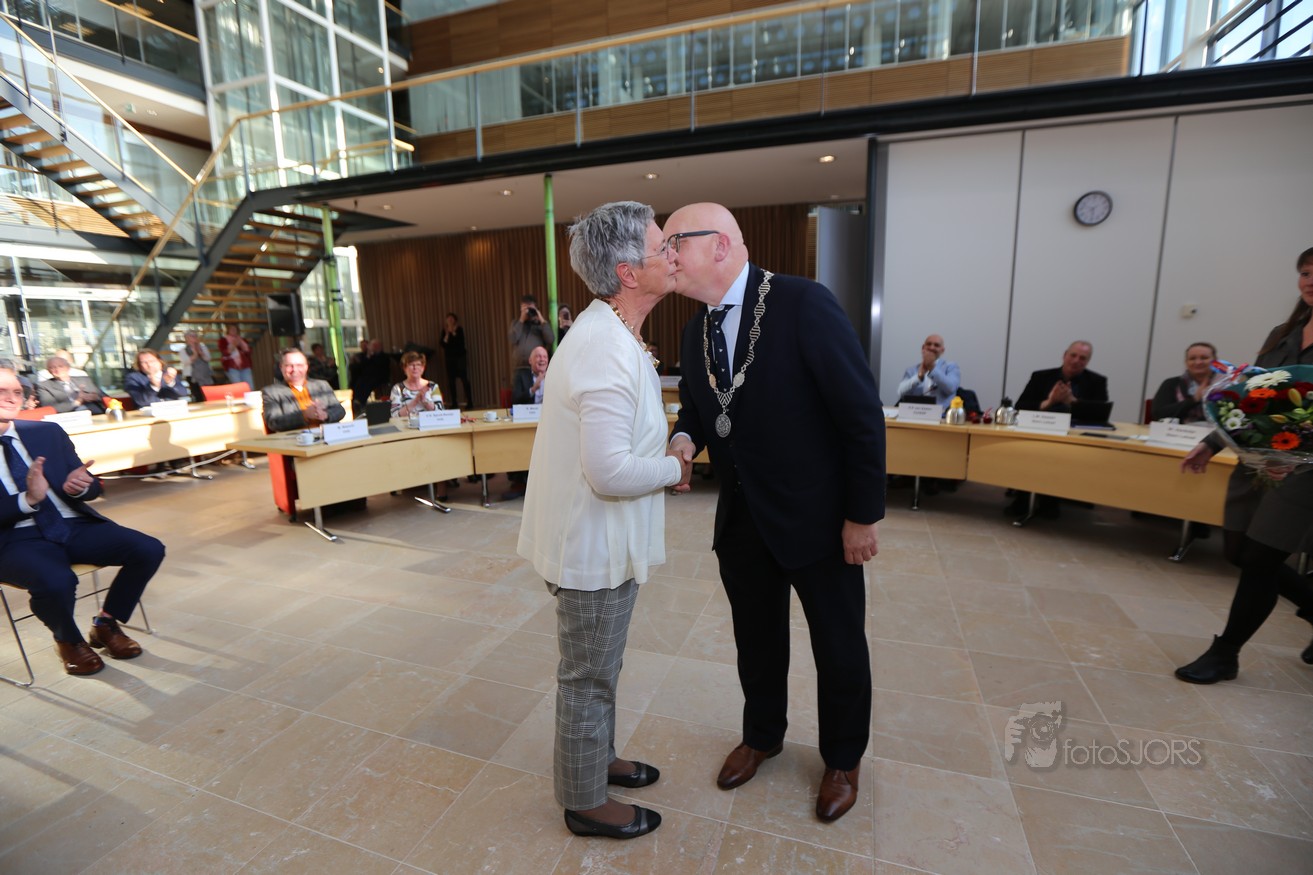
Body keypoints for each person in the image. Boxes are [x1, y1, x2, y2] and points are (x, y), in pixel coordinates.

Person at [665, 203, 885, 823]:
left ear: (720, 244)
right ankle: (762, 734)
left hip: (819, 521)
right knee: (756, 642)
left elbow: (860, 414)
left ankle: (843, 758)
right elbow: (698, 409)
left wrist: (862, 515)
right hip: (742, 521)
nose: (666, 256)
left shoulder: (803, 302)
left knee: (838, 646)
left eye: (675, 242)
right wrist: (683, 441)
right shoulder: (695, 329)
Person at [517, 200, 685, 841]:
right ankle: (585, 801)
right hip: (592, 548)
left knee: (601, 667)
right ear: (627, 272)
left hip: (604, 541)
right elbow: (609, 471)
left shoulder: (610, 333)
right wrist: (672, 466)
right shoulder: (603, 347)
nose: (673, 255)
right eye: (662, 247)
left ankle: (598, 758)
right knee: (587, 676)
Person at [1175, 248, 1313, 684]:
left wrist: (1296, 455)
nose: (1310, 280)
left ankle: (1225, 654)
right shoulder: (1283, 334)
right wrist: (1211, 443)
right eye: (1305, 272)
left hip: (1302, 471)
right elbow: (1252, 397)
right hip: (1255, 459)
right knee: (1237, 551)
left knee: (1259, 560)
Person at [0, 365, 164, 676]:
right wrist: (27, 500)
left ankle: (105, 624)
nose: (11, 398)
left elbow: (90, 485)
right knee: (57, 580)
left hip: (70, 524)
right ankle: (69, 641)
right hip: (12, 539)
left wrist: (81, 486)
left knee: (148, 548)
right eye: (1, 392)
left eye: (17, 392)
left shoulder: (46, 432)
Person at [262, 347, 346, 433]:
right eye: (289, 365)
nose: (294, 370)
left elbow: (340, 410)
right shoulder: (271, 392)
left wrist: (326, 415)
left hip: (327, 435)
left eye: (299, 365)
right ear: (281, 367)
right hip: (295, 438)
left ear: (306, 367)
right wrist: (304, 415)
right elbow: (273, 422)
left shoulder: (322, 385)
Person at [1015, 340, 1107, 413]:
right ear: (1064, 355)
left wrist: (1072, 402)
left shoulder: (1097, 382)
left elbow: (1101, 413)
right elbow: (1019, 407)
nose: (1076, 361)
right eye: (1073, 355)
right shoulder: (1040, 377)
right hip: (1044, 424)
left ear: (1087, 361)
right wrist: (1049, 402)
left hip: (1077, 428)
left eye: (1082, 358)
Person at [1152, 341, 1216, 423]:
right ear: (1186, 362)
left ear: (1215, 361)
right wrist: (1194, 399)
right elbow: (1159, 414)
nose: (1198, 362)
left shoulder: (1225, 385)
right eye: (1192, 358)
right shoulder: (1171, 384)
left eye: (1204, 358)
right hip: (1179, 430)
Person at [897, 334, 961, 406]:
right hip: (914, 410)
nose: (932, 347)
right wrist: (918, 377)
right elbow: (900, 393)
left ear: (942, 350)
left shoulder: (951, 367)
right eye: (929, 344)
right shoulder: (911, 370)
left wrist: (932, 369)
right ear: (923, 347)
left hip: (942, 411)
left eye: (936, 345)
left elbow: (951, 389)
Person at [509, 294, 555, 388]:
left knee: (537, 394)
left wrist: (540, 318)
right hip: (519, 368)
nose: (528, 312)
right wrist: (521, 320)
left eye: (531, 309)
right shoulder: (516, 324)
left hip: (537, 370)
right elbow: (512, 338)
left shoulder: (542, 325)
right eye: (525, 309)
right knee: (520, 395)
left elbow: (550, 339)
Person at [37, 356, 105, 414]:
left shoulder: (84, 380)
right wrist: (77, 402)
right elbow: (48, 407)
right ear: (48, 371)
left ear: (68, 367)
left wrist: (95, 397)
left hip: (94, 412)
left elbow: (104, 396)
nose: (57, 369)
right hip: (69, 416)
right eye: (52, 367)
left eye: (60, 366)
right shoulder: (44, 386)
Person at [390, 350, 444, 417]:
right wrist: (416, 400)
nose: (415, 367)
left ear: (423, 368)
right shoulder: (397, 388)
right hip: (406, 423)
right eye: (411, 364)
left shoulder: (433, 386)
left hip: (429, 423)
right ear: (404, 368)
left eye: (418, 364)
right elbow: (395, 415)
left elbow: (441, 412)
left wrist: (425, 401)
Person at [440, 313, 472, 407]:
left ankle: (470, 402)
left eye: (451, 318)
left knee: (464, 380)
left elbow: (460, 342)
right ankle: (454, 402)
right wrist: (447, 334)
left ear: (455, 320)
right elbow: (443, 344)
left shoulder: (459, 329)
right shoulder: (444, 331)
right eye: (448, 319)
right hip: (449, 359)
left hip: (460, 358)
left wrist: (453, 332)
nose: (449, 320)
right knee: (451, 381)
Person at [182, 331, 213, 402]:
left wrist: (201, 353)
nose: (194, 337)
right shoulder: (183, 350)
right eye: (192, 336)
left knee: (209, 395)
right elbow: (186, 362)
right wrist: (195, 353)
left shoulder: (203, 347)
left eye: (195, 335)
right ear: (187, 338)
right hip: (192, 376)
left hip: (206, 375)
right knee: (198, 396)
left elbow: (208, 358)